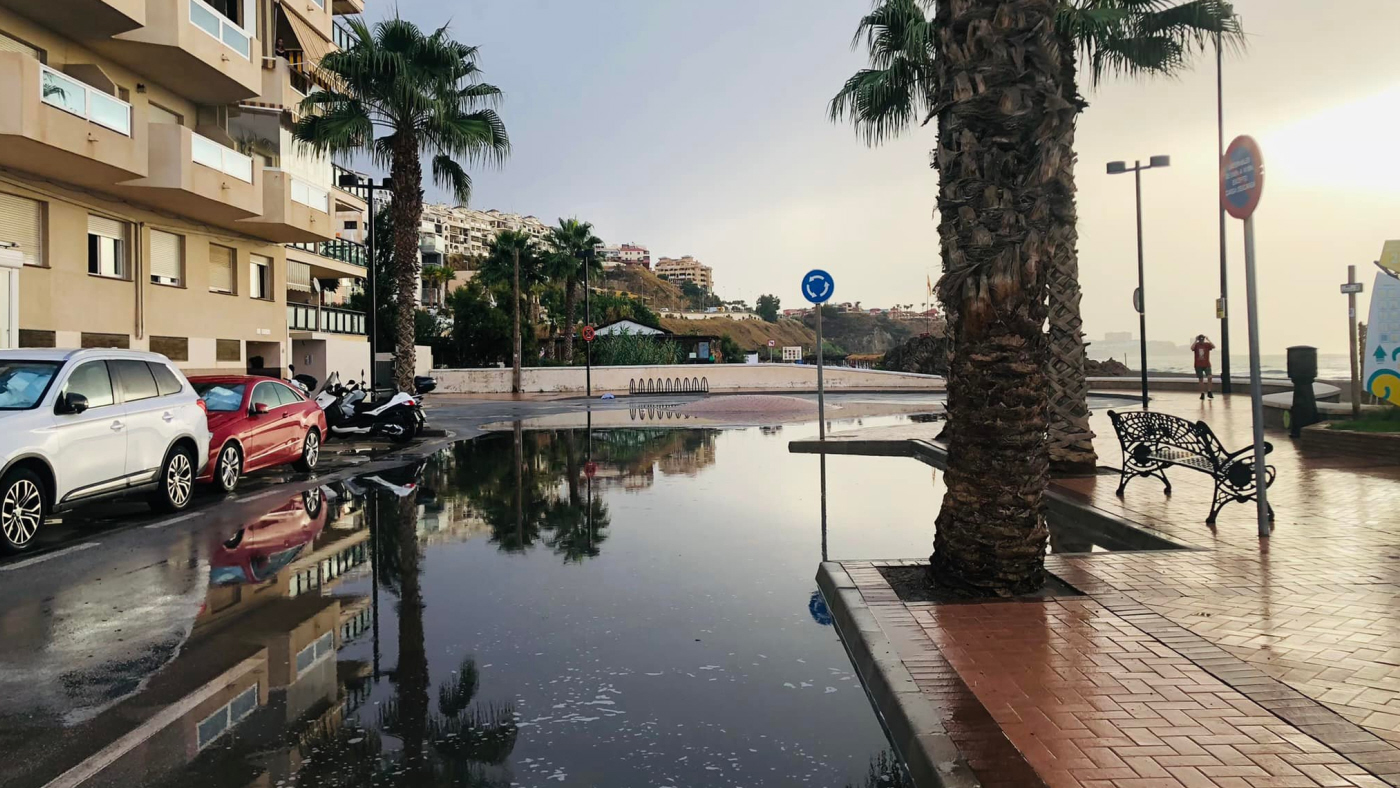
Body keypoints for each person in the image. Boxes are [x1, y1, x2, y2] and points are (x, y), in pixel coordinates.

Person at [1191, 334, 1215, 400]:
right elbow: (1192, 348)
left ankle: (1209, 391)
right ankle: (1202, 393)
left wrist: (1208, 339)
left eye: (1202, 339)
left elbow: (1213, 346)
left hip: (1206, 364)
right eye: (1200, 339)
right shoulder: (1196, 345)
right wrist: (1195, 340)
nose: (1201, 341)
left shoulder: (1207, 345)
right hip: (1198, 365)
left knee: (1209, 377)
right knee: (1201, 379)